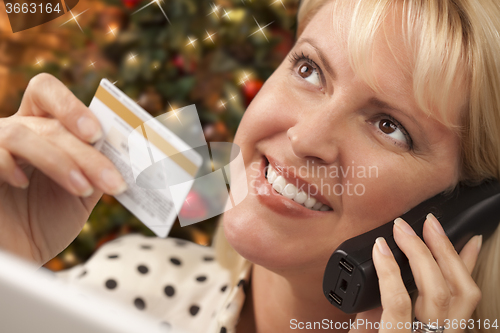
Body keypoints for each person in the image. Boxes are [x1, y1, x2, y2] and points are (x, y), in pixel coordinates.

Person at [0, 0, 499, 332]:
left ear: (467, 211)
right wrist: (9, 258)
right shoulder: (130, 289)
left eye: (389, 126)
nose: (306, 137)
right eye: (309, 69)